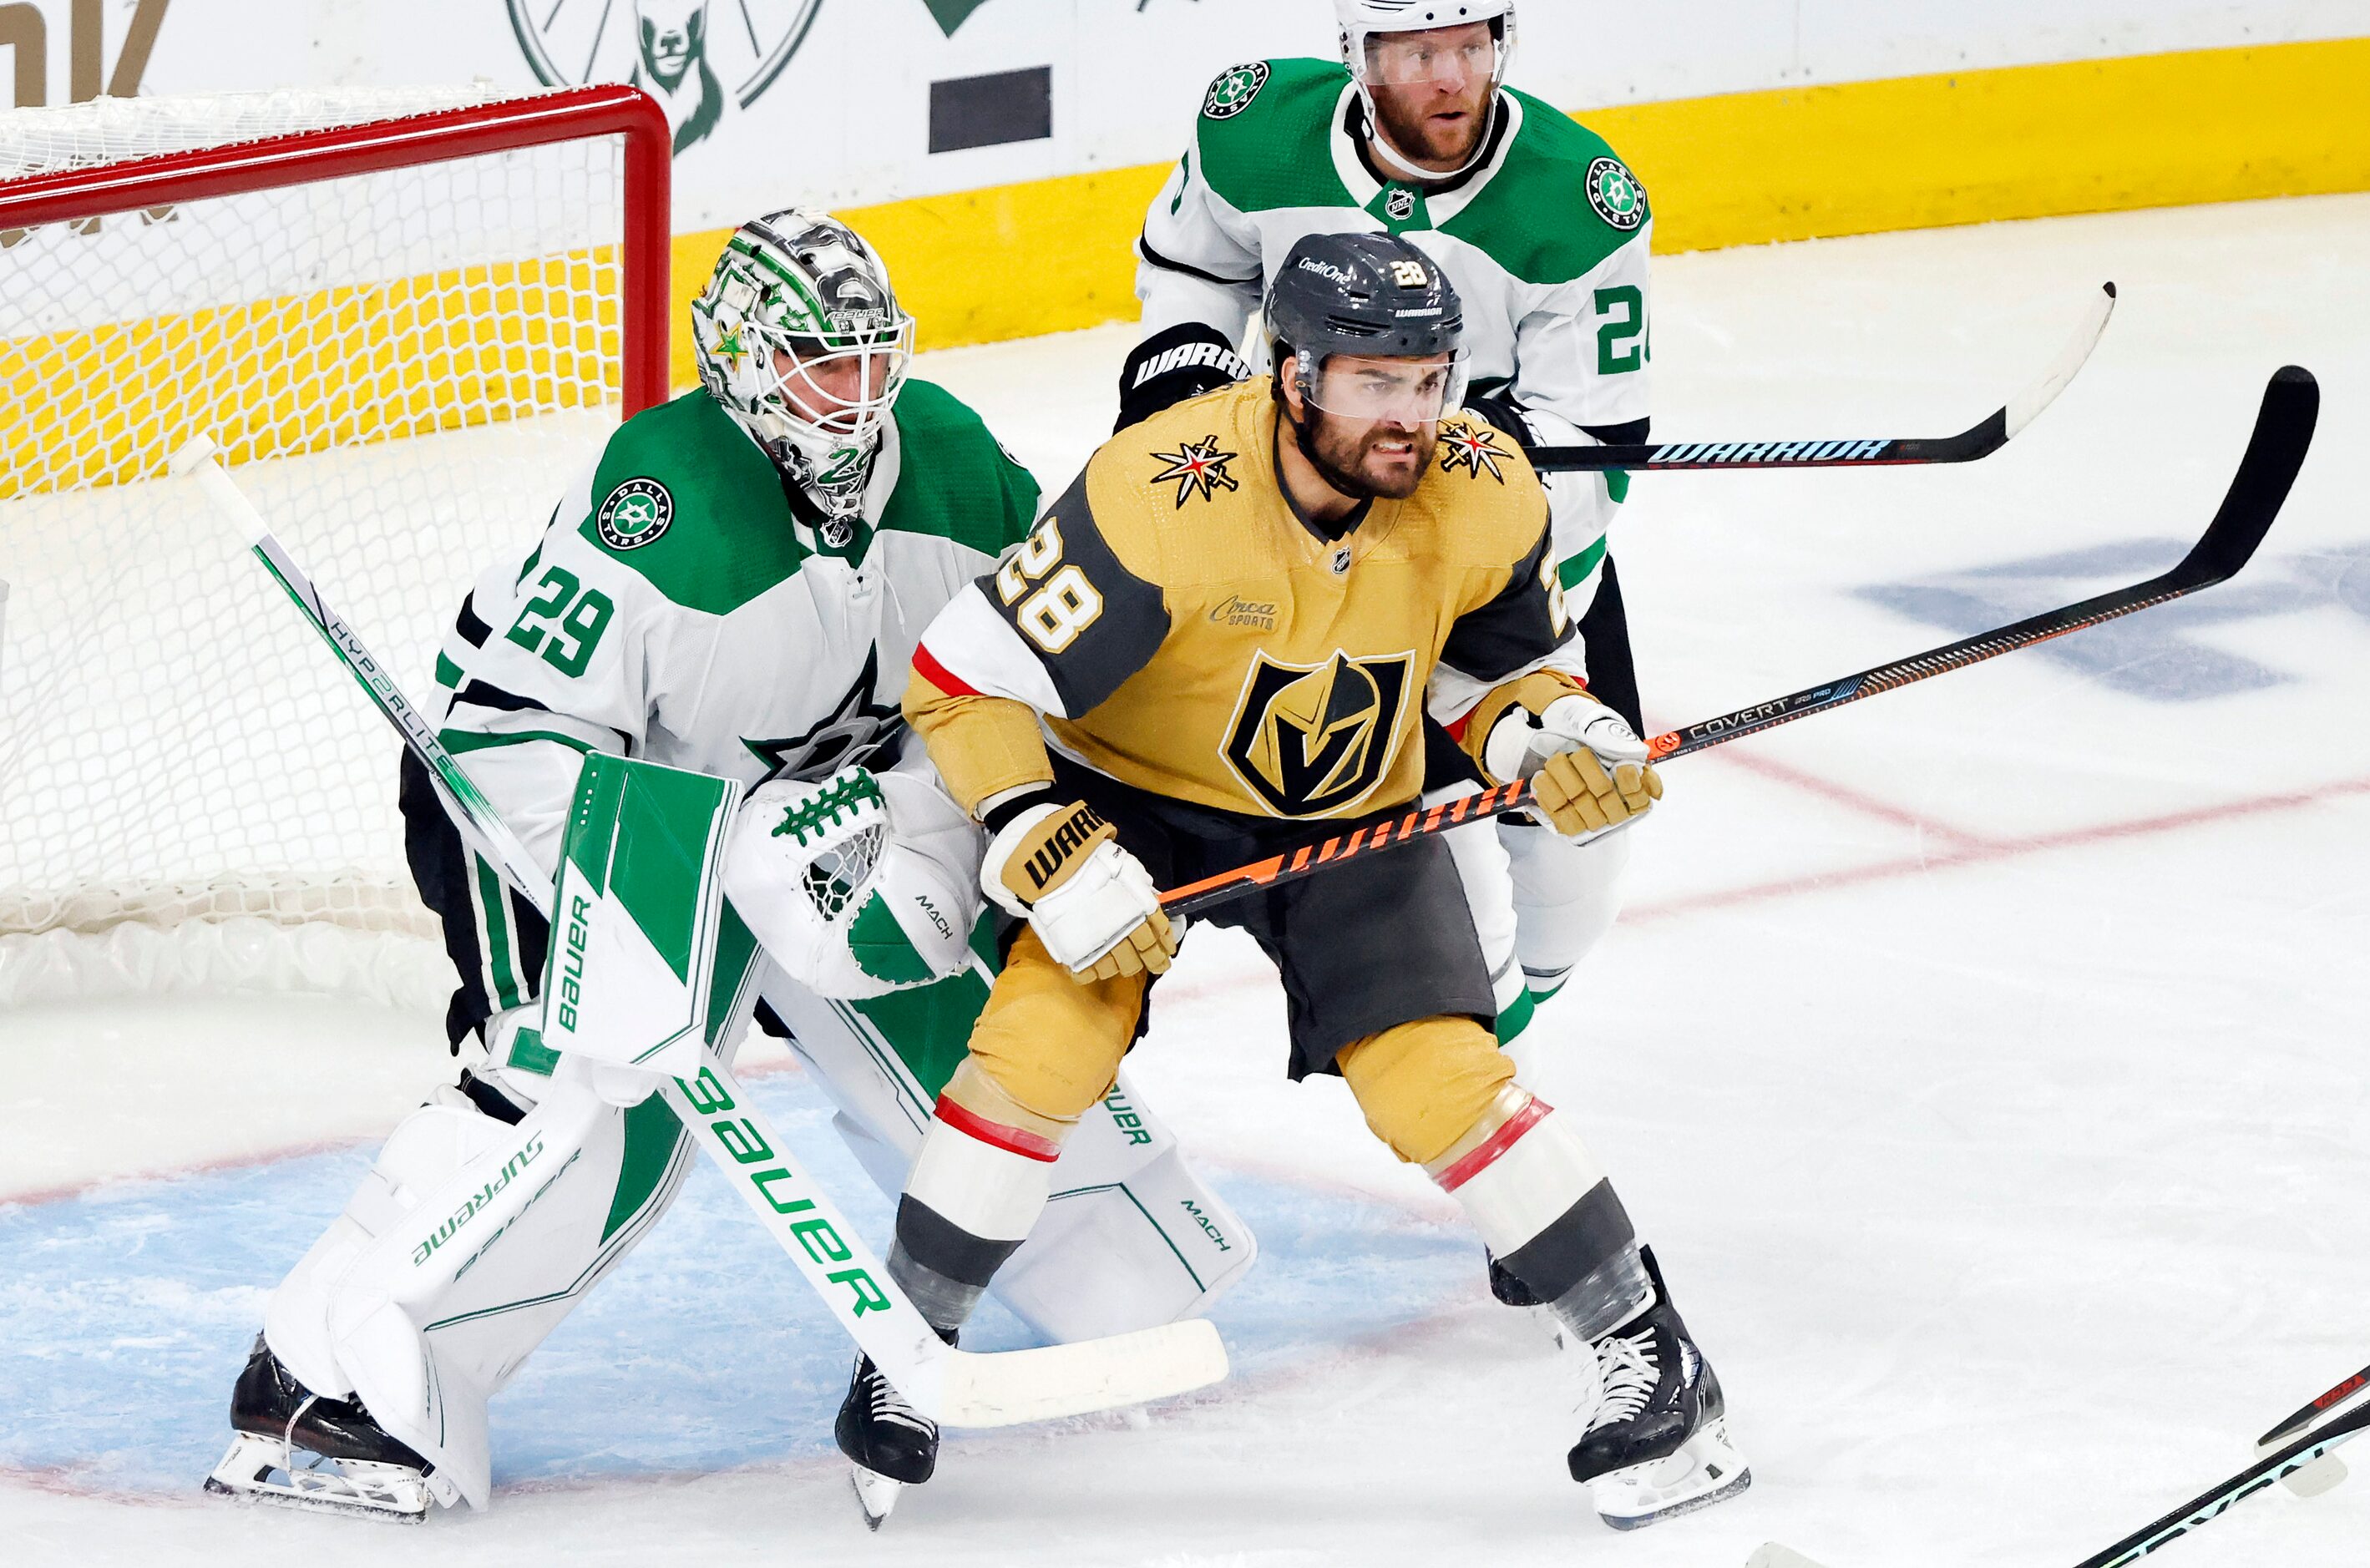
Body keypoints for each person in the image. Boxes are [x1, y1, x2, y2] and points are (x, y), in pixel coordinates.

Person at [205, 210, 1253, 1524]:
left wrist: (920, 819)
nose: (859, 396)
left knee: (983, 1032)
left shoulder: (954, 460)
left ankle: (1118, 1268)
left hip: (832, 807)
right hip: (590, 801)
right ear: (746, 367)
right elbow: (501, 741)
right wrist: (674, 886)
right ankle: (330, 1377)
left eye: (876, 360)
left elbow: (1020, 679)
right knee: (593, 1087)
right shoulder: (661, 506)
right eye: (823, 365)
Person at [863, 231, 1748, 1529]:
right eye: (1373, 384)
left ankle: (1644, 1344)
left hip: (1353, 807)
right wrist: (1037, 834)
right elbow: (961, 674)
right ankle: (909, 1345)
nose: (1410, 418)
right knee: (1042, 1043)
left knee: (1437, 1074)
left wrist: (1546, 731)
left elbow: (1492, 668)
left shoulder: (1482, 483)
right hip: (1134, 803)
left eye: (1431, 379)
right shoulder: (1157, 496)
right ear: (1290, 374)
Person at [1120, 2, 1654, 1125]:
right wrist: (1188, 376)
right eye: (1416, 52)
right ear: (1356, 58)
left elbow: (1592, 466)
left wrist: (1472, 491)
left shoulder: (1577, 202)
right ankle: (1489, 1123)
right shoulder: (1255, 128)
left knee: (1582, 840)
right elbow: (1189, 267)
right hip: (1320, 597)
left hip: (1514, 596)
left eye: (1471, 44)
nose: (1451, 77)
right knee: (1449, 892)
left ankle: (1496, 1047)